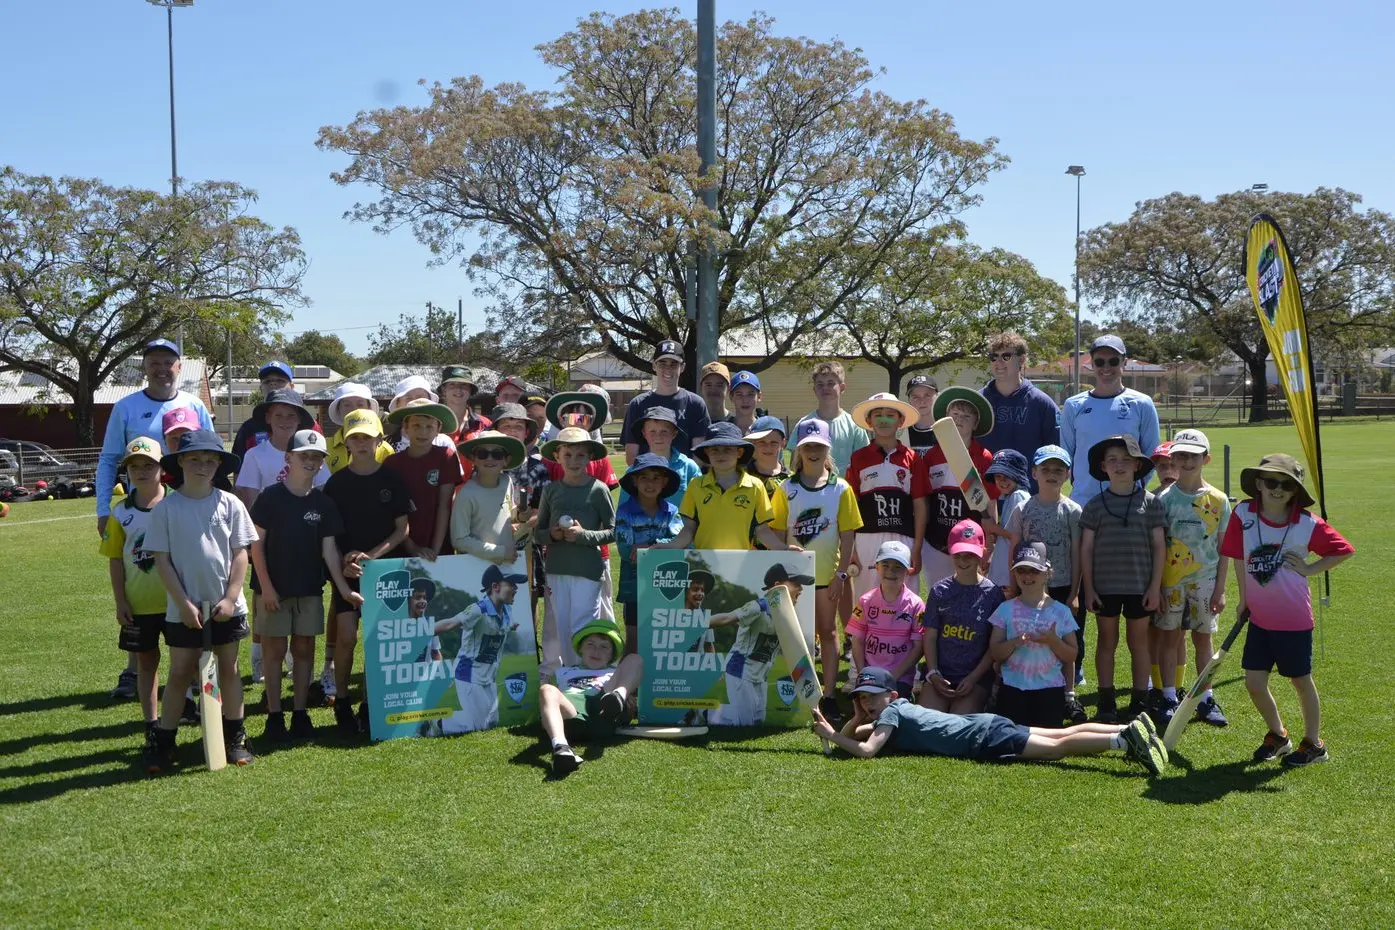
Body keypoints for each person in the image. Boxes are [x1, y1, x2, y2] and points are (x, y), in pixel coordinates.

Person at [1220, 454, 1353, 767]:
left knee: (1300, 681)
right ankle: (1278, 736)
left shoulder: (1306, 523)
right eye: (1271, 482)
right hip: (1259, 618)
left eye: (1286, 485)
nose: (1277, 489)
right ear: (1258, 484)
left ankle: (1314, 744)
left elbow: (1343, 550)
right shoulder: (1243, 513)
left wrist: (1310, 569)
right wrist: (1244, 598)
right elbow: (1238, 556)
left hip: (1294, 620)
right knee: (1254, 682)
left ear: (1295, 491)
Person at [143, 430, 257, 772]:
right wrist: (184, 604)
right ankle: (164, 741)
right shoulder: (166, 509)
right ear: (180, 461)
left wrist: (231, 597)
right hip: (184, 609)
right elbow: (162, 561)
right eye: (194, 459)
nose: (202, 466)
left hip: (226, 607)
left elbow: (241, 554)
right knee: (180, 672)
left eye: (210, 460)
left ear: (219, 464)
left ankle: (235, 737)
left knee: (229, 669)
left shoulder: (231, 504)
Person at [810, 666, 1167, 775]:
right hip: (986, 724)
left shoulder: (890, 713)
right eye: (861, 698)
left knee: (1056, 748)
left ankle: (1123, 741)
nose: (867, 704)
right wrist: (854, 719)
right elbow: (858, 735)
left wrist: (831, 733)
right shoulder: (895, 712)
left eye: (871, 697)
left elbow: (866, 750)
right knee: (1060, 733)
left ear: (890, 695)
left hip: (982, 738)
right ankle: (1126, 729)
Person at [248, 430, 354, 741]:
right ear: (288, 458)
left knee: (304, 649)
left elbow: (330, 552)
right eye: (303, 455)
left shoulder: (324, 503)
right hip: (273, 591)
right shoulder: (269, 497)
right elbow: (255, 546)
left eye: (316, 457)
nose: (310, 461)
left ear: (322, 463)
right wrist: (266, 587)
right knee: (274, 651)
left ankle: (299, 712)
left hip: (309, 589)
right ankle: (275, 715)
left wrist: (343, 589)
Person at [322, 409, 407, 734]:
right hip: (348, 572)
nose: (360, 443)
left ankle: (372, 703)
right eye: (354, 437)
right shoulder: (336, 483)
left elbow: (402, 529)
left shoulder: (392, 479)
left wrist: (372, 556)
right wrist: (347, 561)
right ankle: (342, 700)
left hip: (384, 569)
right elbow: (329, 537)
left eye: (367, 437)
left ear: (379, 440)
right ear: (345, 441)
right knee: (347, 637)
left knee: (378, 640)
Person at [234, 388, 327, 683]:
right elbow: (249, 500)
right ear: (268, 418)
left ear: (300, 420)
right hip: (267, 543)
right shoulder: (255, 454)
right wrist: (258, 541)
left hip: (303, 545)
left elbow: (321, 494)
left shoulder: (312, 451)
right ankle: (260, 658)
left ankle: (294, 663)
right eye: (279, 414)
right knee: (265, 602)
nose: (285, 420)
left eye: (291, 415)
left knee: (300, 607)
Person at [770, 417, 862, 713]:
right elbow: (776, 533)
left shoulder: (841, 488)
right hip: (794, 579)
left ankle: (829, 694)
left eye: (819, 446)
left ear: (828, 449)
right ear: (798, 449)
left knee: (829, 632)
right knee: (799, 637)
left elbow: (848, 537)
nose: (813, 452)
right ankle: (802, 695)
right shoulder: (786, 488)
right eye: (807, 446)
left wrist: (840, 575)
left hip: (826, 578)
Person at [1079, 435, 1166, 723]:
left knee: (1138, 644)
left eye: (1126, 460)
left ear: (1138, 465)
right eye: (1112, 460)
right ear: (1103, 466)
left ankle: (1139, 701)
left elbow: (1159, 547)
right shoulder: (1094, 506)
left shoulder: (1151, 503)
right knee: (1106, 642)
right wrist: (1089, 588)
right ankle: (1106, 703)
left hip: (1140, 587)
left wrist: (1155, 587)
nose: (1119, 465)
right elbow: (1086, 549)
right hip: (1105, 587)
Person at [1151, 429, 1231, 727]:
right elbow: (1157, 547)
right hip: (1171, 583)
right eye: (1181, 455)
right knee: (1169, 639)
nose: (1186, 461)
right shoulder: (1163, 499)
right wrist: (1157, 587)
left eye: (1193, 456)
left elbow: (1224, 550)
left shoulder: (1219, 500)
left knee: (1203, 641)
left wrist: (1220, 588)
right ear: (1173, 458)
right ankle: (1169, 697)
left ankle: (1205, 698)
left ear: (1206, 459)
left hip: (1206, 583)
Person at [96, 339, 214, 540]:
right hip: (143, 507)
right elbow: (108, 460)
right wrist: (103, 510)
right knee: (142, 559)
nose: (162, 369)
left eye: (168, 362)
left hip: (192, 503)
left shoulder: (195, 405)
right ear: (145, 367)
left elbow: (212, 456)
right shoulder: (125, 407)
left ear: (179, 367)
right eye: (154, 363)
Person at [99, 438, 168, 737]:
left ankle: (188, 708)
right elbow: (115, 559)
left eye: (148, 465)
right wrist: (120, 601)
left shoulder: (176, 504)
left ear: (162, 468)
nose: (141, 471)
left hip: (178, 602)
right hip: (139, 605)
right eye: (134, 466)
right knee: (146, 662)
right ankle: (151, 722)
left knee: (187, 662)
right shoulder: (120, 513)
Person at [1012, 445, 1085, 722]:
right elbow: (1014, 547)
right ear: (1034, 473)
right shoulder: (1023, 508)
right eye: (1045, 469)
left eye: (1058, 469)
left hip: (1063, 586)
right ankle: (1032, 686)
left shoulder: (1072, 510)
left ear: (1067, 474)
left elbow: (1077, 552)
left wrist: (1075, 593)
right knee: (1032, 638)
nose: (1051, 474)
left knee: (1068, 642)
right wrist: (1013, 586)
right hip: (1030, 586)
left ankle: (1069, 695)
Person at [536, 427, 617, 677]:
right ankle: (561, 676)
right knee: (558, 626)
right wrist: (553, 535)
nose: (574, 461)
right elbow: (538, 533)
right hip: (557, 569)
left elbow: (615, 531)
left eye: (580, 455)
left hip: (587, 570)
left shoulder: (598, 489)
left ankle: (582, 677)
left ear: (590, 456)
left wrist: (584, 536)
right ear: (557, 456)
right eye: (568, 455)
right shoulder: (551, 490)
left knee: (583, 626)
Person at [652, 422, 790, 553]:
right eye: (714, 450)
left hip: (741, 563)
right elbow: (689, 529)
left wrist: (784, 549)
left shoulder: (755, 486)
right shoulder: (696, 485)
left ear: (739, 452)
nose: (720, 454)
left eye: (727, 449)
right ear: (707, 452)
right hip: (703, 562)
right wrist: (671, 546)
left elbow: (762, 531)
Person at [705, 563, 815, 726]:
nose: (801, 589)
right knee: (746, 725)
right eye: (796, 583)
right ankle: (705, 713)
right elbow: (727, 618)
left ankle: (708, 712)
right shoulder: (758, 607)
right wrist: (696, 623)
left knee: (758, 722)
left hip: (761, 676)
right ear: (778, 586)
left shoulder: (787, 615)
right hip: (740, 671)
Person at [1061, 334, 1160, 507]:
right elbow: (1066, 456)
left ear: (1124, 362)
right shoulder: (1073, 405)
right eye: (1100, 362)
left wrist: (1132, 489)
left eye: (1113, 361)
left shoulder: (1142, 403)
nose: (1106, 367)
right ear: (1092, 364)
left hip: (1128, 504)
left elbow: (1151, 455)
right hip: (1083, 502)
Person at [431, 564, 530, 735]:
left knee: (491, 722)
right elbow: (450, 623)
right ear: (495, 587)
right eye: (511, 584)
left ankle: (443, 724)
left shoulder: (507, 610)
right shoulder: (477, 610)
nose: (516, 588)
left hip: (489, 675)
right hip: (469, 673)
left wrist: (512, 626)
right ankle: (438, 723)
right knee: (478, 726)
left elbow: (502, 626)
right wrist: (422, 632)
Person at [988, 542, 1078, 728]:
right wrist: (1014, 642)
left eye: (1034, 571)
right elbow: (995, 652)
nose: (1027, 576)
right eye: (1021, 571)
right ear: (1014, 573)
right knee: (1013, 738)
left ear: (1047, 573)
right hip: (1013, 688)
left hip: (1049, 689)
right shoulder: (1005, 609)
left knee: (1047, 739)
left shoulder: (1061, 612)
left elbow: (1071, 655)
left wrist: (1054, 641)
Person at [845, 392, 926, 598]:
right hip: (866, 539)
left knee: (905, 597)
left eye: (890, 415)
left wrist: (917, 548)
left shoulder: (913, 459)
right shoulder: (858, 458)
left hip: (903, 537)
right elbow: (851, 505)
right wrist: (851, 548)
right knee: (866, 597)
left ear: (901, 421)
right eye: (878, 415)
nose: (884, 420)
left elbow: (920, 505)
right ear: (869, 421)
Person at [916, 386, 1000, 584]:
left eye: (966, 416)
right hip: (936, 540)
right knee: (938, 590)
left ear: (975, 424)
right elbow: (924, 501)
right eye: (955, 414)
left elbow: (990, 503)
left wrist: (989, 543)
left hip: (970, 542)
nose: (960, 419)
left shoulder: (984, 457)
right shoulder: (931, 456)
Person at [540, 618, 644, 775]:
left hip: (603, 708)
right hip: (572, 714)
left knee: (634, 659)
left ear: (612, 655)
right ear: (580, 648)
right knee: (547, 689)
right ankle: (561, 747)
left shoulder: (615, 672)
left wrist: (628, 699)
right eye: (590, 644)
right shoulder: (563, 672)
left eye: (604, 647)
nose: (596, 651)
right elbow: (548, 701)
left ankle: (618, 697)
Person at [921, 520, 1003, 714]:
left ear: (982, 553)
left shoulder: (993, 594)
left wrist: (973, 678)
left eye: (970, 555)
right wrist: (933, 673)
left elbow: (993, 646)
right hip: (941, 674)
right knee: (925, 722)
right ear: (950, 552)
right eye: (958, 555)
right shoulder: (939, 591)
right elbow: (930, 636)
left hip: (975, 677)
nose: (963, 561)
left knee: (960, 724)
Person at [614, 454, 684, 652]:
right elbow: (626, 550)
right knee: (634, 640)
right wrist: (663, 548)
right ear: (635, 481)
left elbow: (680, 542)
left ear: (664, 482)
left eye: (656, 478)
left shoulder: (672, 511)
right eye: (644, 477)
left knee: (664, 638)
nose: (650, 483)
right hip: (634, 586)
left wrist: (651, 545)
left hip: (667, 583)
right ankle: (630, 672)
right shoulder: (624, 512)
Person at [492, 402, 551, 625]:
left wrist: (525, 525)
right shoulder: (485, 462)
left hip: (528, 544)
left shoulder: (537, 467)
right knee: (493, 597)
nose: (512, 431)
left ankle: (530, 643)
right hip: (492, 544)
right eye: (506, 426)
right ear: (496, 430)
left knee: (528, 597)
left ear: (527, 432)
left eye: (518, 426)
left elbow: (543, 509)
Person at [979, 332, 1060, 491]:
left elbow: (1054, 455)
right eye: (994, 357)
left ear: (1021, 359)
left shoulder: (1042, 403)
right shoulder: (978, 402)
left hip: (1029, 495)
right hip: (986, 496)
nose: (998, 362)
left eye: (1006, 356)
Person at [384, 397, 463, 562]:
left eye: (429, 426)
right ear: (405, 428)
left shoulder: (446, 457)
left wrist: (435, 550)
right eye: (416, 426)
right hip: (401, 547)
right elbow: (391, 512)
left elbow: (445, 506)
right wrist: (412, 548)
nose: (423, 432)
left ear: (438, 429)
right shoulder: (392, 463)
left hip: (439, 546)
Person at [848, 540, 924, 700]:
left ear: (907, 571)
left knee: (890, 708)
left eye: (898, 567)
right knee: (866, 708)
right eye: (885, 565)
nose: (891, 571)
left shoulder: (917, 605)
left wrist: (893, 677)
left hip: (900, 676)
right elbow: (857, 641)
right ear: (876, 567)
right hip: (870, 675)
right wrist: (862, 674)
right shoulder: (865, 601)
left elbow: (919, 647)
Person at [622, 340, 711, 463]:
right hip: (648, 473)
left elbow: (700, 455)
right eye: (662, 363)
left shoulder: (695, 404)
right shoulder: (638, 404)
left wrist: (683, 473)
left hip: (685, 474)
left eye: (674, 364)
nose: (668, 369)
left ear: (682, 367)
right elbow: (631, 457)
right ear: (654, 366)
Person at [450, 430, 527, 564]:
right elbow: (459, 540)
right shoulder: (466, 494)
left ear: (506, 460)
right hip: (478, 566)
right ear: (474, 459)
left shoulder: (506, 481)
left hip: (507, 564)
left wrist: (520, 516)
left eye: (497, 454)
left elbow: (508, 514)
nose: (489, 459)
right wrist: (500, 552)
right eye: (482, 454)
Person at [785, 361, 869, 478]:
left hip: (846, 487)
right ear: (814, 389)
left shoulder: (854, 425)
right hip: (812, 486)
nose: (825, 388)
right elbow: (794, 465)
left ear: (842, 387)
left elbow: (864, 463)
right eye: (820, 384)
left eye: (830, 383)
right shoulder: (804, 424)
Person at [231, 361, 323, 455]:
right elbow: (240, 463)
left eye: (280, 380)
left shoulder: (311, 426)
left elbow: (320, 460)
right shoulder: (248, 429)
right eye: (267, 381)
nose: (273, 384)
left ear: (291, 387)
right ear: (261, 388)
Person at [617, 407, 700, 505]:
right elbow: (623, 508)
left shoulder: (689, 467)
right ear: (644, 433)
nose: (658, 437)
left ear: (674, 433)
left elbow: (700, 505)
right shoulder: (633, 471)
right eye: (652, 432)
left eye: (664, 432)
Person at [984, 449, 1031, 591]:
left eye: (1007, 476)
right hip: (1004, 573)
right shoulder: (1011, 497)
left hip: (1008, 576)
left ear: (1018, 475)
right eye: (998, 476)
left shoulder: (1018, 496)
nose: (1002, 481)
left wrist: (991, 527)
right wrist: (997, 534)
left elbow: (1015, 535)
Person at [324, 383, 391, 475]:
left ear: (369, 408)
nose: (354, 409)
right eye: (347, 405)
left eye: (360, 404)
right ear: (338, 410)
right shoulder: (325, 447)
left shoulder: (385, 449)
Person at [384, 376, 460, 457]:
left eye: (420, 397)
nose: (415, 402)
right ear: (397, 404)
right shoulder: (387, 445)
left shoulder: (443, 443)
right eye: (408, 398)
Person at [743, 415, 791, 503]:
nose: (768, 447)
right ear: (752, 442)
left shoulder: (791, 479)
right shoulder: (741, 476)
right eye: (762, 442)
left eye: (773, 442)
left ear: (783, 443)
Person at [904, 374, 939, 454]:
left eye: (927, 395)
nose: (922, 401)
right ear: (909, 400)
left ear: (937, 396)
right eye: (915, 397)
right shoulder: (903, 432)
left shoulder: (948, 429)